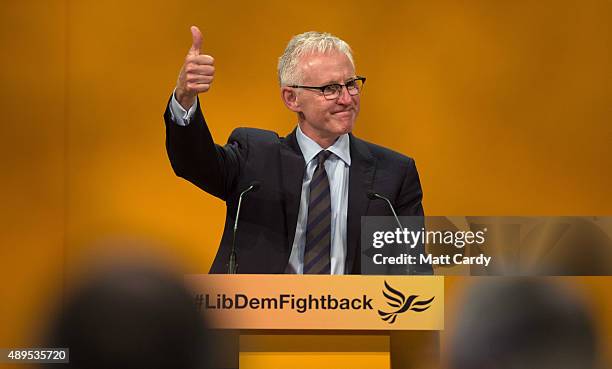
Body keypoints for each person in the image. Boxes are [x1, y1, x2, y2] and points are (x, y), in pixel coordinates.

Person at [164, 26, 431, 275]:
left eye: (351, 84)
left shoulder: (393, 174)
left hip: (354, 321)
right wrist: (184, 97)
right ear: (291, 98)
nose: (347, 99)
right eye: (330, 89)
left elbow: (414, 270)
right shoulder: (255, 156)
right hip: (258, 317)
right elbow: (192, 162)